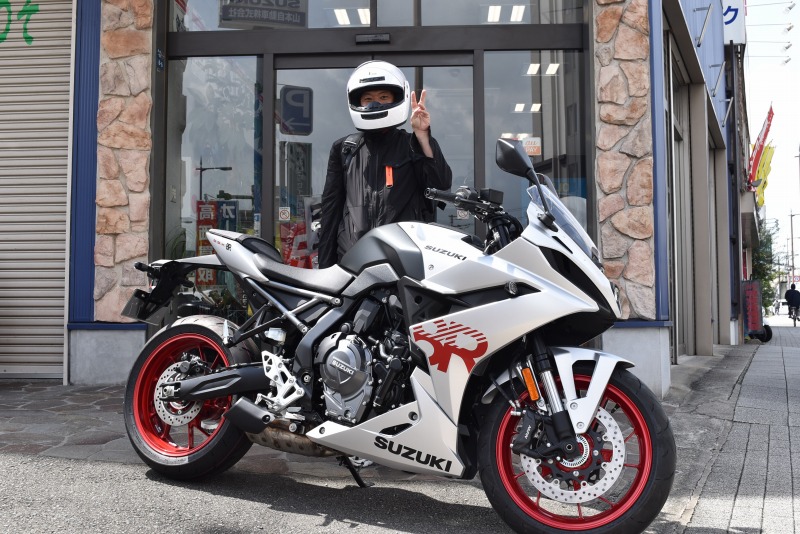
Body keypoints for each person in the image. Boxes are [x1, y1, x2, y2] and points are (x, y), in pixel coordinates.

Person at [317, 60, 453, 269]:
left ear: (396, 99)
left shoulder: (412, 145)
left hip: (403, 263)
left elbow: (441, 184)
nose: (375, 104)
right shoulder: (344, 149)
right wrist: (326, 271)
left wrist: (423, 136)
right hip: (353, 262)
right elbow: (330, 213)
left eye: (383, 97)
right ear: (358, 102)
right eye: (368, 99)